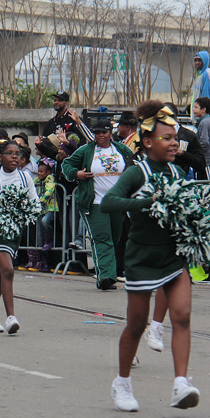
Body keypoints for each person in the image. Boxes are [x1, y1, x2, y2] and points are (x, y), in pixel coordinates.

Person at [101, 100, 201, 412]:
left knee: (182, 315)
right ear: (147, 142)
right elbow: (109, 202)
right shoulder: (136, 173)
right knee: (136, 325)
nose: (174, 143)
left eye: (175, 138)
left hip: (172, 256)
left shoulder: (177, 171)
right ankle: (122, 383)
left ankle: (180, 383)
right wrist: (145, 203)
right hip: (142, 257)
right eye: (167, 138)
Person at [63, 119, 134, 290]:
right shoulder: (86, 150)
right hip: (95, 202)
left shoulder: (122, 149)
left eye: (104, 132)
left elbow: (136, 164)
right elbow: (67, 164)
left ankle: (110, 274)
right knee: (102, 238)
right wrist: (77, 174)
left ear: (110, 133)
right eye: (97, 133)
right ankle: (105, 277)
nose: (100, 135)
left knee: (114, 238)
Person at [0, 140, 39, 334]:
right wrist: (2, 213)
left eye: (17, 153)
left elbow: (35, 202)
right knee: (8, 270)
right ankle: (11, 317)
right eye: (9, 153)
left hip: (15, 231)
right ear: (1, 156)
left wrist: (26, 212)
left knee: (0, 274)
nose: (14, 156)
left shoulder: (25, 177)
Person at [163, 102, 206, 180]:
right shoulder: (156, 136)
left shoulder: (189, 136)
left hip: (181, 180)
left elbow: (200, 163)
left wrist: (182, 153)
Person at [193, 96, 210, 181]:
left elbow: (204, 142)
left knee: (209, 182)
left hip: (208, 160)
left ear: (203, 109)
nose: (193, 109)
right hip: (207, 159)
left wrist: (196, 152)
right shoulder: (206, 121)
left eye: (196, 107)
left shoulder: (205, 122)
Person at [191, 51, 210, 121]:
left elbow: (205, 97)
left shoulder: (206, 74)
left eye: (199, 60)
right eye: (195, 60)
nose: (197, 63)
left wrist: (202, 114)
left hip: (203, 116)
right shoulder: (201, 74)